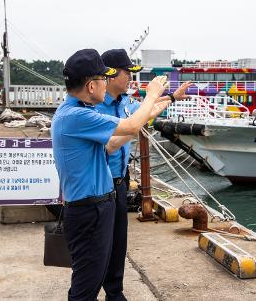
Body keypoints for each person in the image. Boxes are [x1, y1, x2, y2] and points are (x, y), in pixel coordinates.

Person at [51, 49, 168, 301]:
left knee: (94, 276)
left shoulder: (79, 112)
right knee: (86, 286)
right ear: (92, 85)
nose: (107, 83)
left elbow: (112, 144)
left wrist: (160, 103)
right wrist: (151, 96)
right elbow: (133, 126)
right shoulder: (76, 116)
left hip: (96, 205)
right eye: (104, 78)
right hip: (89, 209)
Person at [96, 49, 192, 301]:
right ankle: (89, 291)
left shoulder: (125, 102)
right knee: (97, 246)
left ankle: (114, 293)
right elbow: (128, 129)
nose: (130, 77)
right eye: (127, 72)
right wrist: (154, 96)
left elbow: (147, 111)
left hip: (120, 181)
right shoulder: (94, 106)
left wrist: (171, 97)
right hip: (97, 184)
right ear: (111, 74)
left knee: (118, 243)